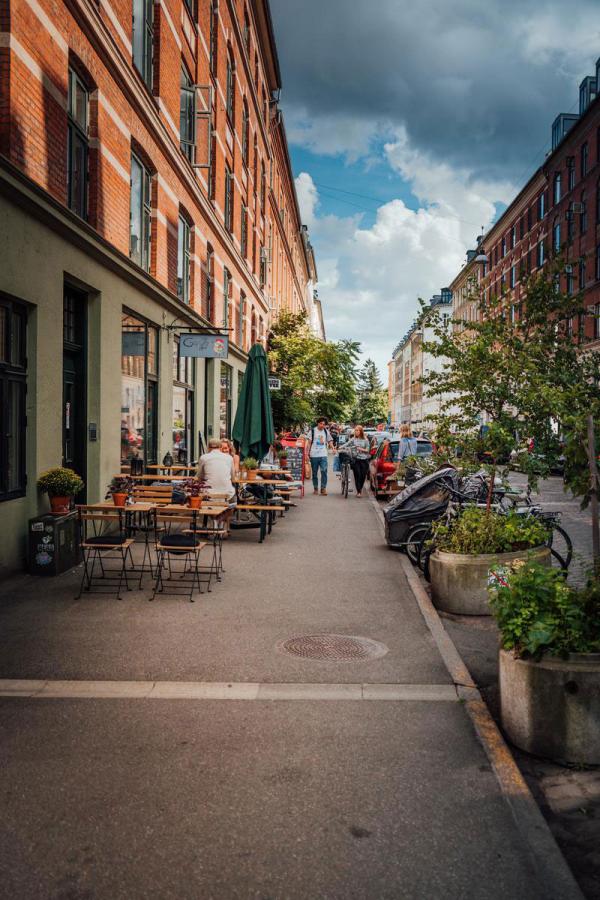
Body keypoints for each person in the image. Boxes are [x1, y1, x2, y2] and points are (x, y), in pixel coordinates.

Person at [198, 438, 236, 502]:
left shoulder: (203, 457)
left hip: (208, 494)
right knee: (233, 496)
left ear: (208, 447)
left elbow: (199, 477)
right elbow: (233, 479)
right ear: (220, 447)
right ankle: (230, 511)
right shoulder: (229, 458)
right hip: (227, 495)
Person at [307, 416, 333, 495]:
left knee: (324, 471)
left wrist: (333, 448)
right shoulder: (312, 431)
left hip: (323, 454)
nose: (322, 425)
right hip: (314, 455)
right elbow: (309, 443)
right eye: (321, 424)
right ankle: (315, 488)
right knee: (315, 473)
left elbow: (330, 440)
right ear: (318, 423)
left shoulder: (326, 431)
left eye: (324, 424)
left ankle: (323, 488)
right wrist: (307, 453)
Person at [345, 425, 371, 497]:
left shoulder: (366, 440)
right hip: (356, 460)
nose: (356, 432)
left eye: (357, 430)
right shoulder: (353, 439)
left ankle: (360, 489)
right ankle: (359, 491)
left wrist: (360, 449)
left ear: (361, 431)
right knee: (357, 475)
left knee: (363, 476)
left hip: (364, 460)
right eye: (355, 430)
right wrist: (338, 448)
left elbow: (368, 450)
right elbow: (346, 444)